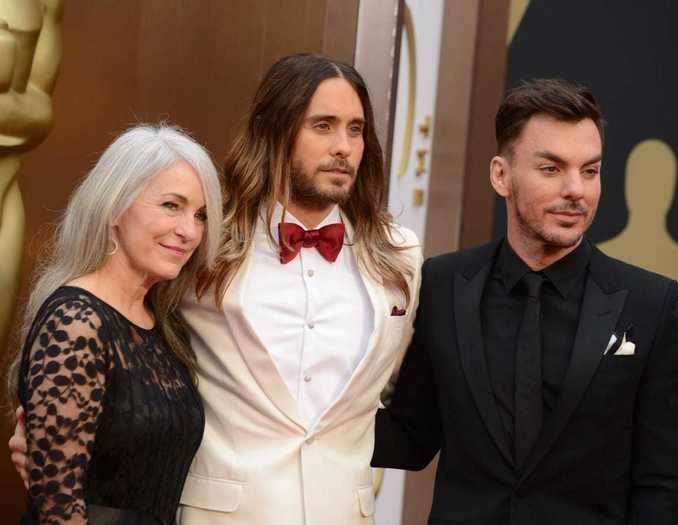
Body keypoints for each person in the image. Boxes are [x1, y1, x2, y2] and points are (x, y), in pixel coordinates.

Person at [11, 54, 422, 524]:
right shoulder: (207, 243)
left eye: (355, 129)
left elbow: (397, 401)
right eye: (323, 126)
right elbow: (119, 332)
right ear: (277, 132)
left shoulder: (401, 257)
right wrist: (54, 439)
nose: (344, 146)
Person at [372, 79, 678, 524]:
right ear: (501, 175)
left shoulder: (650, 304)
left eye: (590, 170)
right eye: (551, 169)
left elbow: (663, 481)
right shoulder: (444, 284)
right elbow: (412, 436)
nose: (576, 190)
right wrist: (294, 412)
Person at [6, 124, 223, 524]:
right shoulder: (76, 322)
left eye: (201, 215)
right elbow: (57, 509)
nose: (189, 231)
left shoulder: (165, 327)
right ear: (115, 205)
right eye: (171, 206)